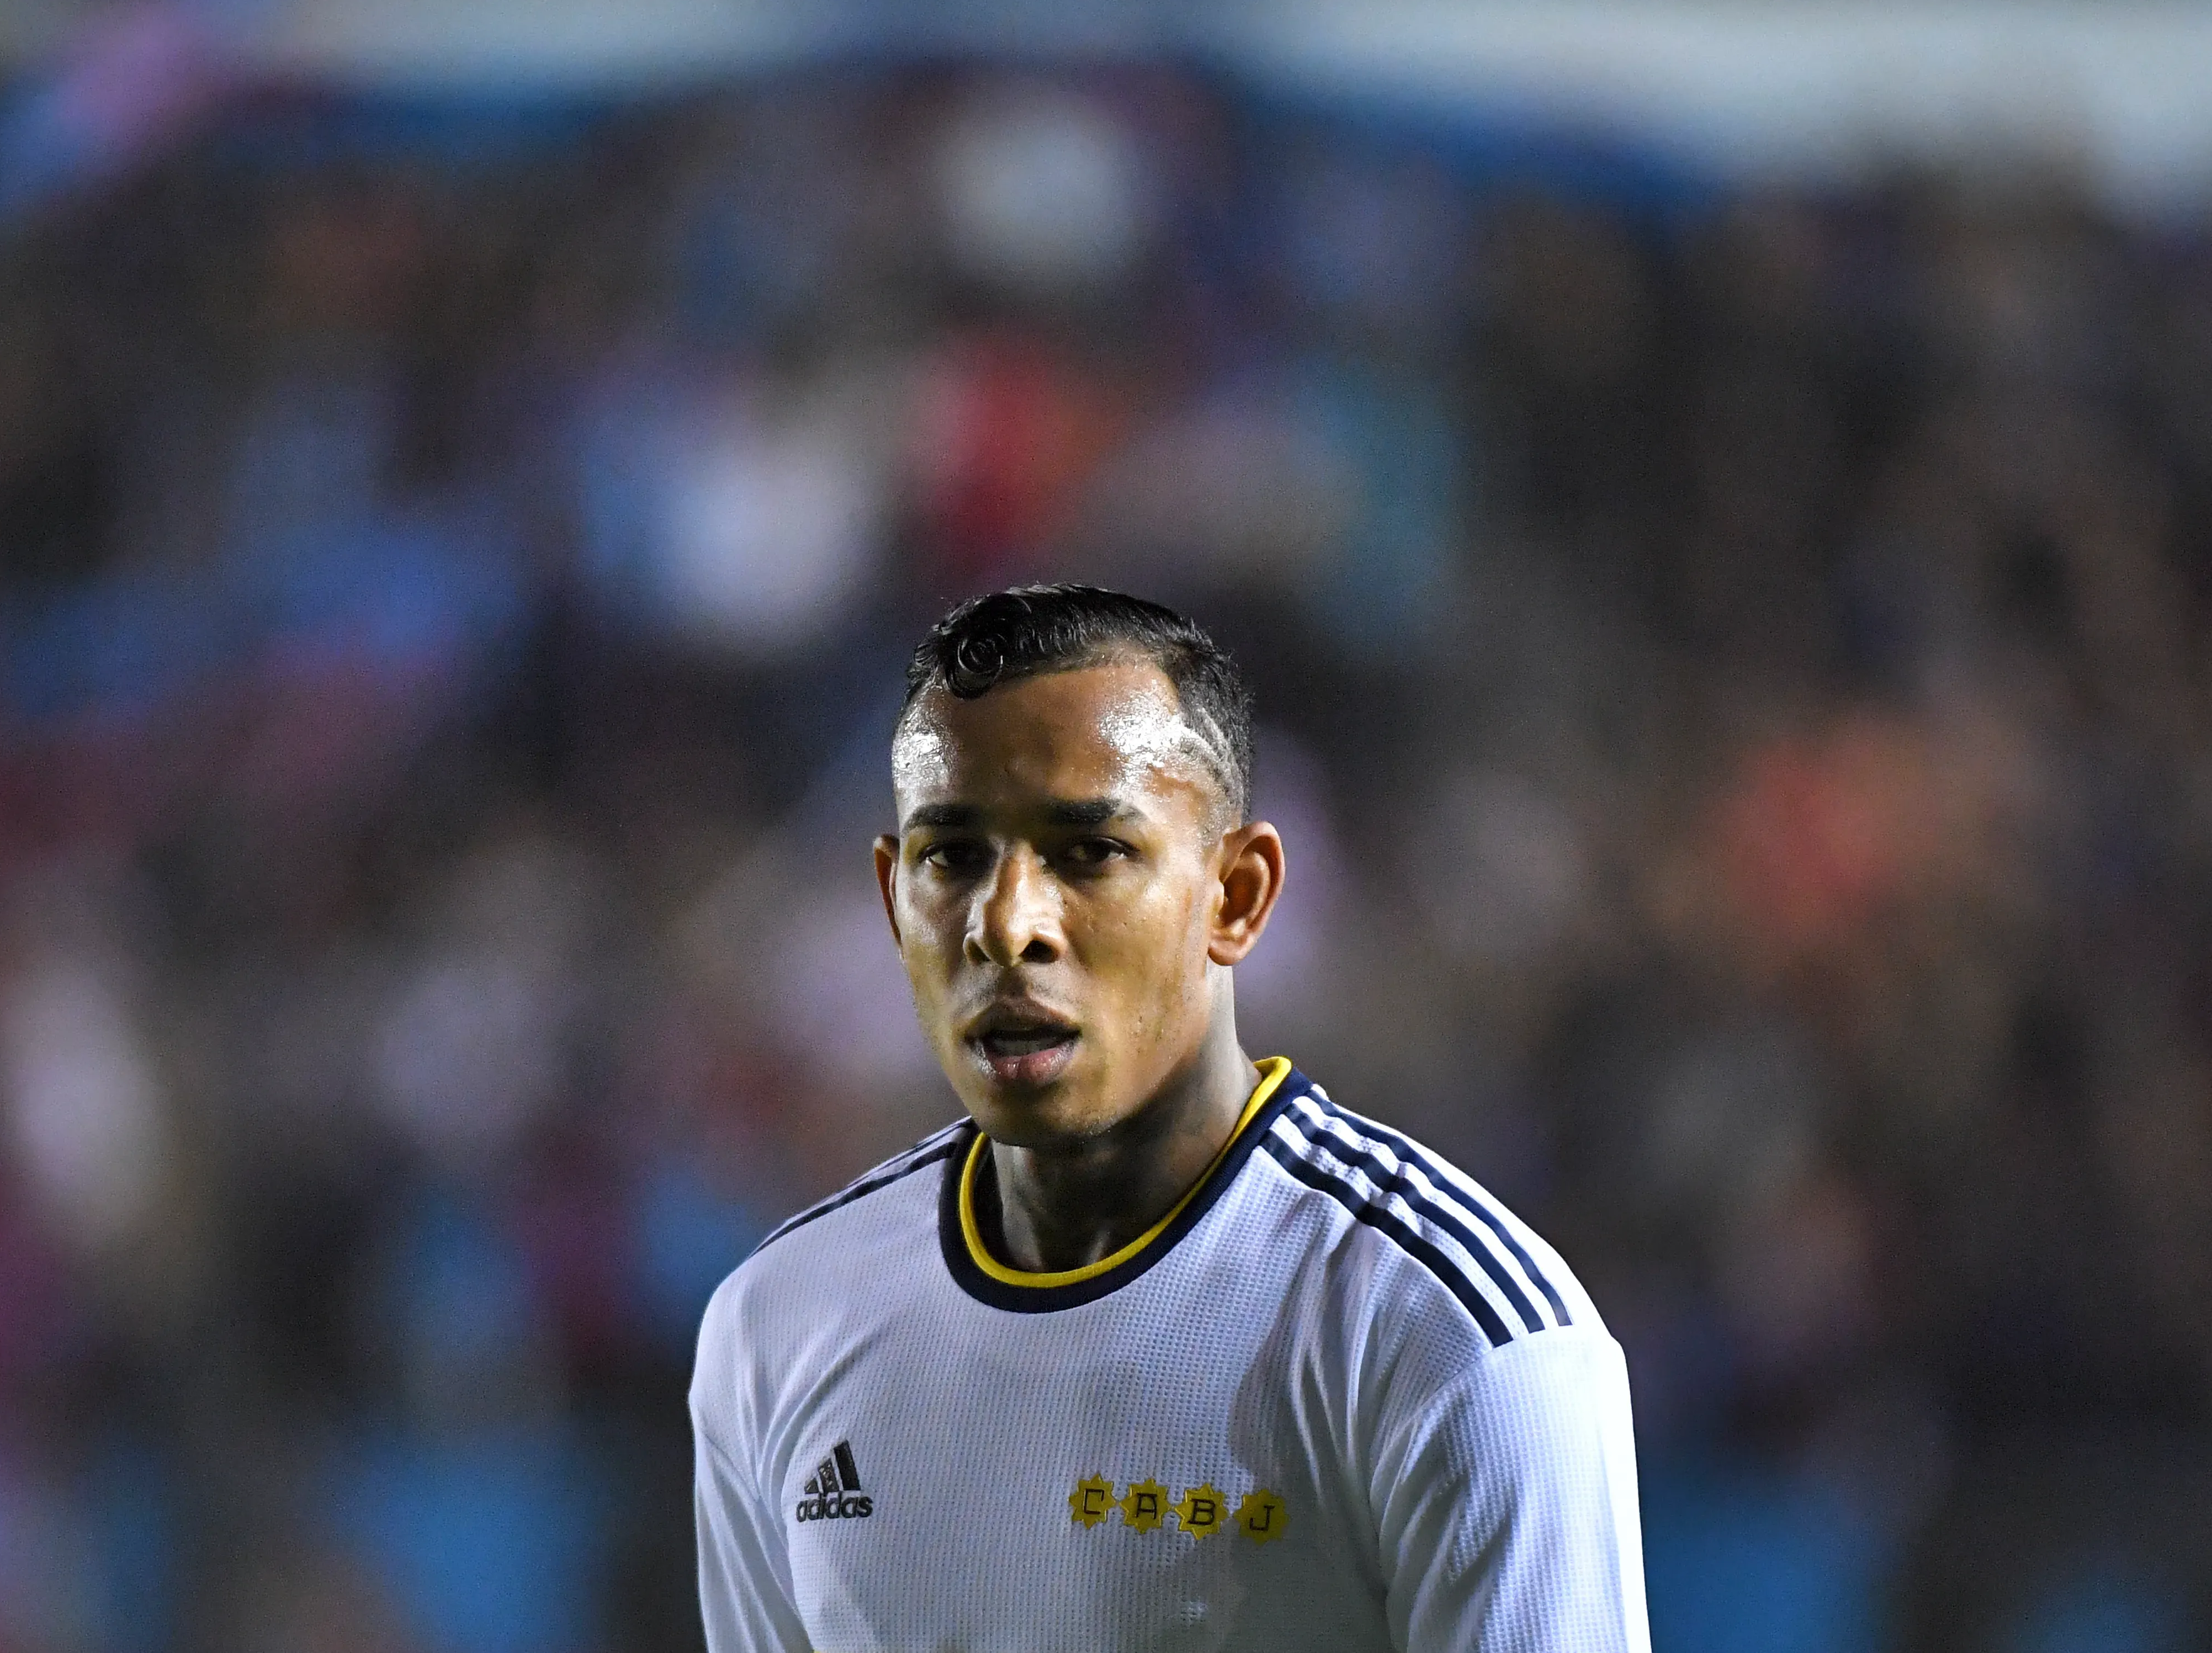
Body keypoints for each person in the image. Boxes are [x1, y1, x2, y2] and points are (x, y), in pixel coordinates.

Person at [690, 584, 1648, 1651]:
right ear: (891, 897)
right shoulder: (777, 1324)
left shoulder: (1453, 1342)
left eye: (1090, 851)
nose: (1007, 924)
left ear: (1236, 895)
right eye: (952, 857)